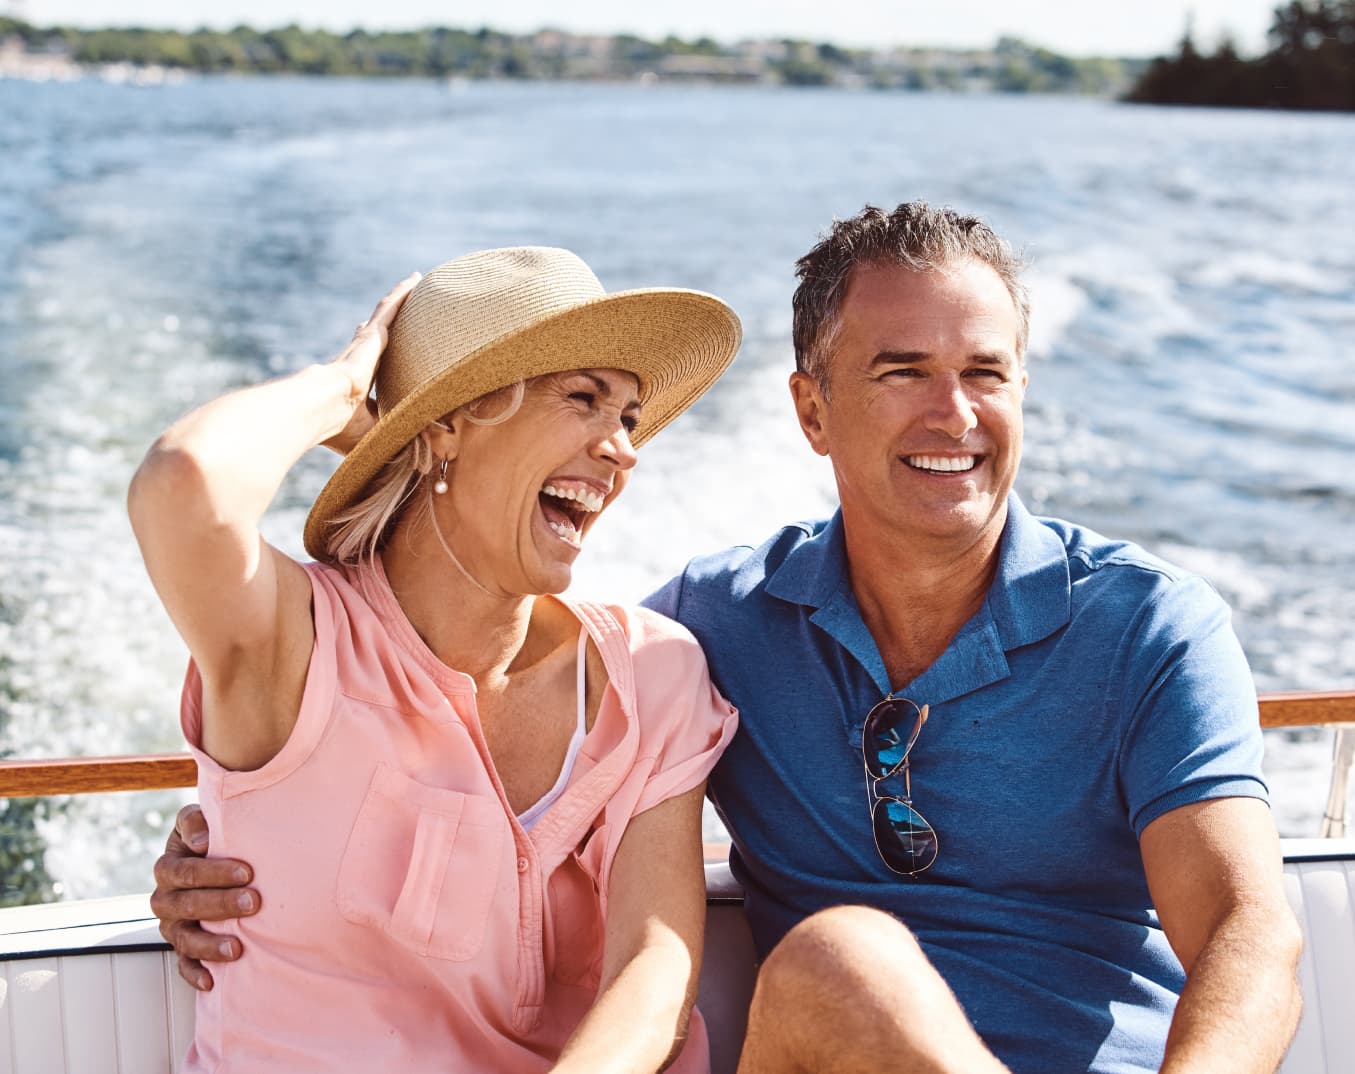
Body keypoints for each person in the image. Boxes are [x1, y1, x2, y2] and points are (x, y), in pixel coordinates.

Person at [151, 205, 1303, 1074]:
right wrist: (238, 825)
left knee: (836, 958)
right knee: (836, 962)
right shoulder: (711, 627)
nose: (952, 415)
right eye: (902, 372)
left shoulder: (1147, 624)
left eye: (983, 374)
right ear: (809, 410)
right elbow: (382, 672)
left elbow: (1249, 930)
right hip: (827, 1039)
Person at [128, 246, 741, 1073]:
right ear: (447, 426)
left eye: (627, 416)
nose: (623, 448)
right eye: (583, 399)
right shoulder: (296, 642)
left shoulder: (653, 673)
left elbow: (652, 970)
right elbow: (182, 483)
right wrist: (347, 392)